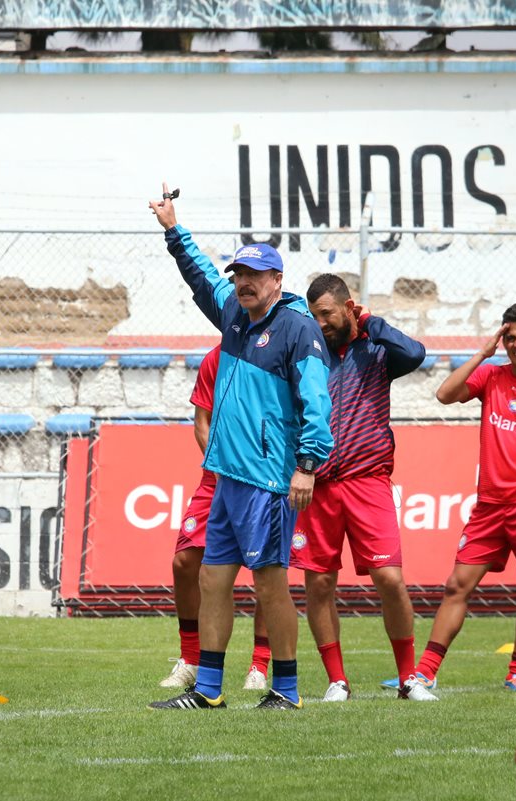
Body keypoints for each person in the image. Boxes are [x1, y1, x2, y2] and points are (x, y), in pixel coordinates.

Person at [147, 184, 333, 711]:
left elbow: (318, 402)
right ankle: (207, 691)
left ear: (278, 280)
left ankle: (288, 689)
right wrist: (173, 229)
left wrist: (308, 466)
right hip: (228, 474)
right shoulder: (233, 315)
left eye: (254, 275)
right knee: (212, 579)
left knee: (271, 585)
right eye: (240, 276)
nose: (244, 283)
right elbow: (202, 273)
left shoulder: (298, 329)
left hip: (272, 478)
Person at [403, 302, 516, 699]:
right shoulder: (490, 377)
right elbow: (444, 394)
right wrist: (482, 353)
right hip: (488, 507)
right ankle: (425, 674)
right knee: (456, 586)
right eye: (511, 337)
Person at [293, 273, 427, 701]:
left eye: (327, 314)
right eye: (314, 316)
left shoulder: (377, 350)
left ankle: (409, 678)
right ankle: (337, 681)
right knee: (318, 585)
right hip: (317, 485)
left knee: (389, 579)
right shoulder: (308, 352)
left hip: (368, 482)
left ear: (349, 307)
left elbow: (416, 353)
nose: (320, 323)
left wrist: (369, 321)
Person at [160, 343, 272, 693]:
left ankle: (259, 665)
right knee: (184, 561)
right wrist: (223, 463)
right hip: (218, 476)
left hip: (263, 476)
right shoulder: (216, 357)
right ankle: (191, 660)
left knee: (266, 572)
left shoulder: (280, 353)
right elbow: (202, 423)